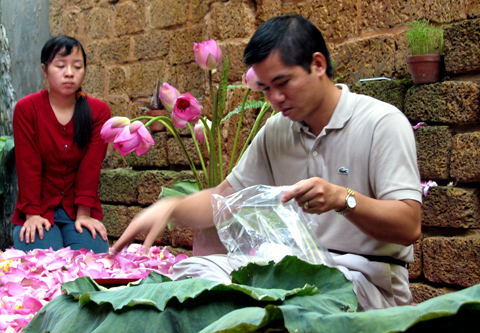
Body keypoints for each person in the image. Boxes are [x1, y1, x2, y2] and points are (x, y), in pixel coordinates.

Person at [112, 14, 422, 310]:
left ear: (317, 64)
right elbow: (225, 198)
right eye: (265, 89)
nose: (274, 99)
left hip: (364, 281)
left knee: (286, 303)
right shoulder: (277, 129)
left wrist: (343, 199)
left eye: (282, 83)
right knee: (193, 273)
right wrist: (171, 208)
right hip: (292, 273)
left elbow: (409, 226)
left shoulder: (381, 123)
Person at [12, 35, 110, 253]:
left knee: (92, 261)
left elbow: (91, 166)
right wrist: (32, 215)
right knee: (43, 265)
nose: (69, 73)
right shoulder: (27, 109)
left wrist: (84, 214)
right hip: (37, 208)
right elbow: (28, 164)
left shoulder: (98, 112)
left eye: (77, 66)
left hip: (78, 209)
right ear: (45, 70)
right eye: (60, 66)